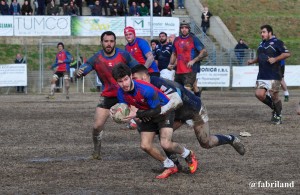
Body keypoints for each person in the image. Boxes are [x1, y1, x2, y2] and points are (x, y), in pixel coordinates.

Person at [131, 65, 246, 158]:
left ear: (145, 77)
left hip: (193, 110)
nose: (133, 83)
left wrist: (152, 112)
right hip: (177, 114)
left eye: (135, 79)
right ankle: (174, 165)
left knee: (206, 143)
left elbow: (177, 101)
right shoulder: (143, 89)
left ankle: (231, 138)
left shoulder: (158, 84)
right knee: (162, 135)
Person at [111, 63, 198, 179]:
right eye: (120, 81)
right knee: (145, 145)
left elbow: (157, 110)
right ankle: (170, 165)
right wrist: (116, 112)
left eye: (126, 79)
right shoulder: (120, 93)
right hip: (147, 113)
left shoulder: (145, 89)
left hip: (164, 111)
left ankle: (188, 154)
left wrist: (138, 114)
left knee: (165, 143)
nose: (124, 84)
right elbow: (127, 107)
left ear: (131, 76)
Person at [76, 31, 139, 160]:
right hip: (108, 95)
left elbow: (138, 68)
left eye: (111, 41)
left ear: (115, 42)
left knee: (143, 119)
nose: (109, 44)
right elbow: (85, 67)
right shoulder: (97, 57)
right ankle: (96, 151)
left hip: (127, 94)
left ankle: (155, 142)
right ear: (102, 43)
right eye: (106, 41)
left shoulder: (123, 54)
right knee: (97, 126)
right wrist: (80, 71)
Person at [247, 24, 291, 125]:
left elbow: (287, 53)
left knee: (274, 96)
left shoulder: (277, 42)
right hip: (262, 74)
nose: (262, 34)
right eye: (261, 32)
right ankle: (275, 108)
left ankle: (278, 115)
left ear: (270, 33)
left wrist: (275, 59)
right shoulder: (261, 44)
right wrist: (252, 61)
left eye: (264, 32)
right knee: (259, 94)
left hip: (274, 74)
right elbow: (260, 57)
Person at [169, 20, 207, 97]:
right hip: (179, 70)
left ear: (189, 29)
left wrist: (193, 60)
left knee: (187, 90)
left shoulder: (193, 38)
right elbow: (174, 53)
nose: (184, 29)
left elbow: (204, 52)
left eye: (186, 27)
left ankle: (193, 105)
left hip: (191, 69)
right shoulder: (176, 40)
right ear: (180, 29)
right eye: (182, 27)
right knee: (178, 91)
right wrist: (171, 64)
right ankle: (198, 98)